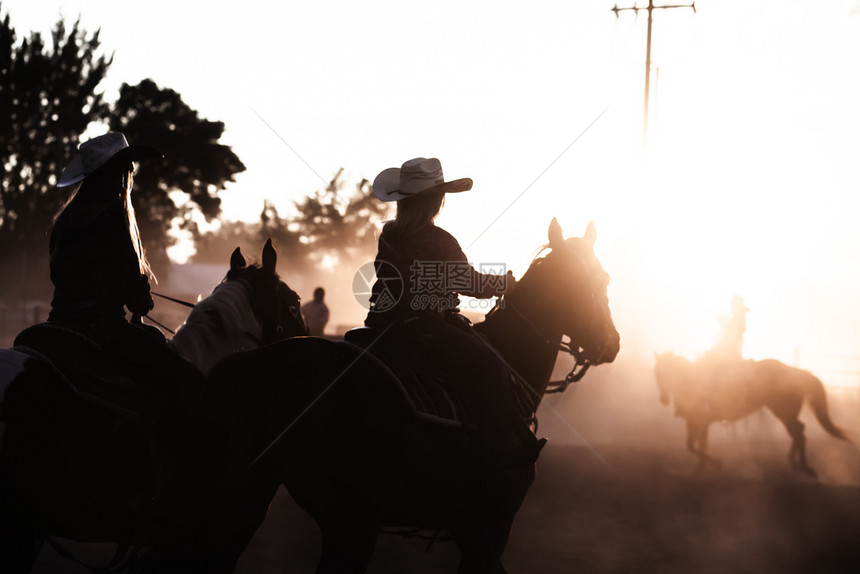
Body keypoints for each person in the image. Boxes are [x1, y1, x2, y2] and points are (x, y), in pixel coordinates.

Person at [365, 157, 538, 467]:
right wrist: (506, 284)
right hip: (424, 329)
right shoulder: (440, 240)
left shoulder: (389, 234)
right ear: (436, 201)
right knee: (491, 365)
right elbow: (469, 282)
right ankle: (497, 447)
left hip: (382, 324)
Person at [42, 132, 200, 400]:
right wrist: (142, 299)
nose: (130, 172)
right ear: (115, 172)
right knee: (181, 377)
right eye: (127, 167)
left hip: (59, 321)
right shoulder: (112, 217)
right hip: (101, 328)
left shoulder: (65, 220)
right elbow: (131, 286)